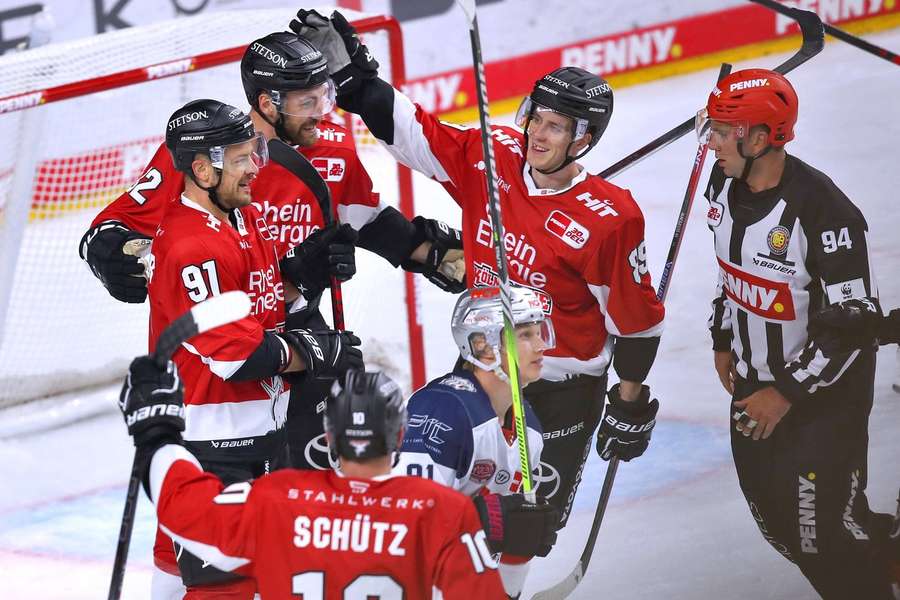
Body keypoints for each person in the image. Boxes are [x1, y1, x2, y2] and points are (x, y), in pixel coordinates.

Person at [291, 9, 666, 533]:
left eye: (556, 127)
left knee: (525, 529)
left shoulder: (610, 220)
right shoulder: (492, 158)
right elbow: (413, 133)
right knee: (442, 510)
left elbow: (636, 321)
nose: (537, 133)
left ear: (583, 139)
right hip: (480, 370)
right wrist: (358, 85)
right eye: (536, 117)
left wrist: (629, 398)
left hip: (559, 388)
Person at [78, 31, 465, 473]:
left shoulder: (333, 148)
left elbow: (363, 217)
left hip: (300, 327)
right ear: (266, 104)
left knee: (318, 486)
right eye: (307, 102)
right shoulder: (206, 154)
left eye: (326, 95)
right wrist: (112, 254)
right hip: (229, 344)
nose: (322, 112)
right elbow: (115, 228)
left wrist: (433, 252)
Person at [148, 98, 364, 598]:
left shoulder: (244, 220)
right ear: (202, 169)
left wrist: (303, 273)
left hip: (258, 432)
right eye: (243, 159)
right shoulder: (189, 247)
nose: (255, 170)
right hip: (211, 445)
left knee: (196, 562)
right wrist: (313, 351)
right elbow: (234, 356)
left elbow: (260, 307)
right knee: (224, 583)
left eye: (255, 153)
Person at [700, 67, 896, 598]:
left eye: (722, 130)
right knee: (779, 527)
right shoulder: (722, 181)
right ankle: (888, 546)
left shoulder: (824, 211)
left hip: (820, 399)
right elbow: (729, 270)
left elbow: (853, 327)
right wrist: (722, 337)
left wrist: (785, 391)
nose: (710, 142)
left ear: (760, 138)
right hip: (751, 386)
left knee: (819, 538)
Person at [116, 355, 508, 599]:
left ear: (330, 435)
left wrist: (158, 434)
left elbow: (184, 506)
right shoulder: (443, 512)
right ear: (401, 434)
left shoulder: (278, 499)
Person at [395, 286, 560, 599]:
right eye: (525, 335)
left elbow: (510, 533)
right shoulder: (444, 410)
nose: (541, 346)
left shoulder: (528, 425)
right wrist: (484, 520)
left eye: (541, 333)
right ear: (482, 346)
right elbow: (404, 526)